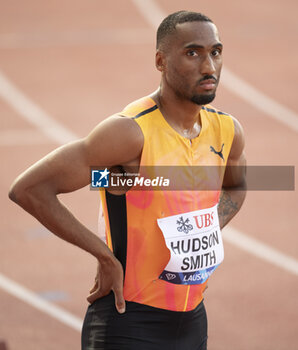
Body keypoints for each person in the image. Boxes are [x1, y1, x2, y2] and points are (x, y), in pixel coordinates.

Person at [9, 10, 246, 350]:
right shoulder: (129, 133)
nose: (209, 67)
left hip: (193, 321)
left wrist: (209, 224)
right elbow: (30, 189)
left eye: (216, 52)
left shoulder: (227, 131)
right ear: (161, 61)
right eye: (193, 53)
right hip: (128, 320)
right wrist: (104, 256)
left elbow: (237, 185)